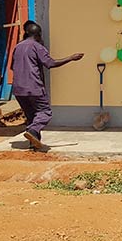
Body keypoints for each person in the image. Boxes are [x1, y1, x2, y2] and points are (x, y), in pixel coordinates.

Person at [10, 22, 83, 150]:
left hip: (18, 89)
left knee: (32, 117)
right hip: (34, 87)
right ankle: (32, 131)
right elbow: (50, 63)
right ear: (39, 35)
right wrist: (71, 58)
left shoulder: (18, 47)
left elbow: (12, 67)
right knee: (45, 112)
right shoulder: (37, 47)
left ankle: (34, 143)